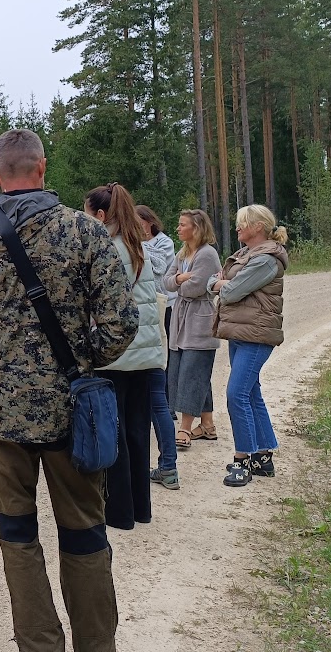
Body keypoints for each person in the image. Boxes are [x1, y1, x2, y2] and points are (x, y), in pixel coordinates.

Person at [0, 129, 137, 651]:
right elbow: (120, 323)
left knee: (17, 537)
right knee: (86, 533)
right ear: (42, 169)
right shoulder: (84, 234)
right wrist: (82, 360)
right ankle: (96, 643)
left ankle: (39, 644)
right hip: (74, 413)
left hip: (2, 420)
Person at [85, 183, 164, 530]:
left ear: (101, 216)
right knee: (137, 433)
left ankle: (119, 513)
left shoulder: (107, 250)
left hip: (116, 357)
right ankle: (141, 508)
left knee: (112, 435)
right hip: (145, 356)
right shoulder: (139, 248)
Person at [210, 204, 288, 488]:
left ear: (258, 227)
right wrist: (219, 284)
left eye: (242, 223)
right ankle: (263, 457)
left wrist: (220, 285)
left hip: (257, 335)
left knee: (236, 395)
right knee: (251, 394)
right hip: (239, 332)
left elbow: (230, 290)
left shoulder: (267, 259)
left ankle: (242, 461)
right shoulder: (246, 254)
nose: (237, 227)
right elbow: (218, 280)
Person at [163, 209, 222, 452]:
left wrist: (180, 282)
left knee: (191, 373)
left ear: (196, 228)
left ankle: (185, 428)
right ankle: (207, 425)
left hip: (199, 320)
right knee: (189, 371)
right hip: (181, 320)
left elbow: (197, 288)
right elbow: (166, 281)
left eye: (182, 225)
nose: (178, 229)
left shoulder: (207, 255)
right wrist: (179, 280)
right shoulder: (183, 252)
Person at [135, 204, 178, 490]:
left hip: (158, 315)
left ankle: (168, 465)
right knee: (150, 399)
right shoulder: (133, 245)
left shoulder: (163, 242)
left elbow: (162, 271)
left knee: (156, 396)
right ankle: (164, 466)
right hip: (146, 321)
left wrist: (133, 244)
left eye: (138, 223)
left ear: (149, 222)